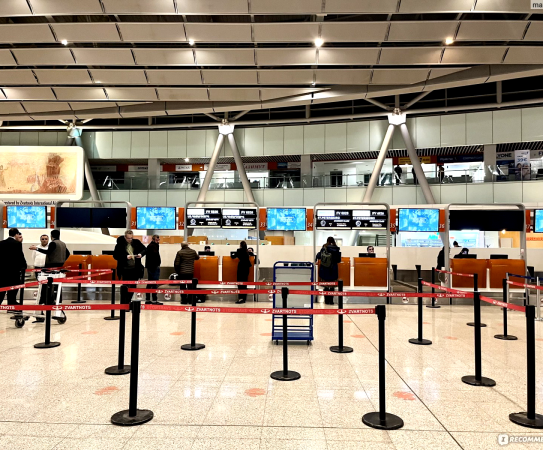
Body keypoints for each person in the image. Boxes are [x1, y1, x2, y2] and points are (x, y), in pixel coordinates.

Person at [114, 230, 146, 304]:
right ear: (125, 237)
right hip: (125, 269)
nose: (130, 240)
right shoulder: (119, 245)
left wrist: (141, 254)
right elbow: (115, 256)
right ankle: (125, 303)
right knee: (126, 286)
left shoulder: (136, 242)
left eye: (131, 238)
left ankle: (130, 302)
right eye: (128, 238)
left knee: (133, 286)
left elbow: (145, 249)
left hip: (135, 269)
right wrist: (125, 257)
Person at [0, 228, 27, 310]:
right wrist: (24, 266)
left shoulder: (1, 243)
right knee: (13, 289)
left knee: (2, 289)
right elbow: (20, 256)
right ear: (16, 234)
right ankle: (11, 305)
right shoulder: (17, 244)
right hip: (13, 271)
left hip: (2, 271)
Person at [316, 237, 341, 305]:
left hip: (325, 269)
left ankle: (326, 301)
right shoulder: (336, 248)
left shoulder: (324, 247)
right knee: (332, 286)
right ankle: (331, 301)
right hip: (333, 269)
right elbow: (339, 260)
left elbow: (318, 256)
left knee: (326, 286)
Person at [145, 235, 162, 305]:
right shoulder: (153, 246)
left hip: (151, 266)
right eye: (157, 240)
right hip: (153, 267)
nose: (158, 241)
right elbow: (155, 256)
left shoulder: (151, 246)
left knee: (149, 283)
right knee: (154, 283)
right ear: (154, 239)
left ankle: (148, 299)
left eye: (158, 240)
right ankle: (154, 300)